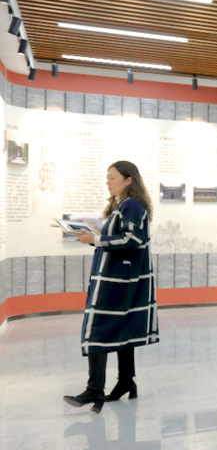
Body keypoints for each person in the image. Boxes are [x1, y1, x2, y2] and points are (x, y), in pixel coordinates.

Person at [64, 161, 158, 412]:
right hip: (119, 277)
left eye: (112, 177)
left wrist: (96, 239)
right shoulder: (124, 205)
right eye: (107, 177)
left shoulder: (132, 205)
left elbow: (132, 239)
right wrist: (94, 237)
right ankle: (126, 381)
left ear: (129, 180)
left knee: (98, 328)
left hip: (119, 280)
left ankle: (95, 388)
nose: (108, 182)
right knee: (122, 328)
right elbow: (122, 238)